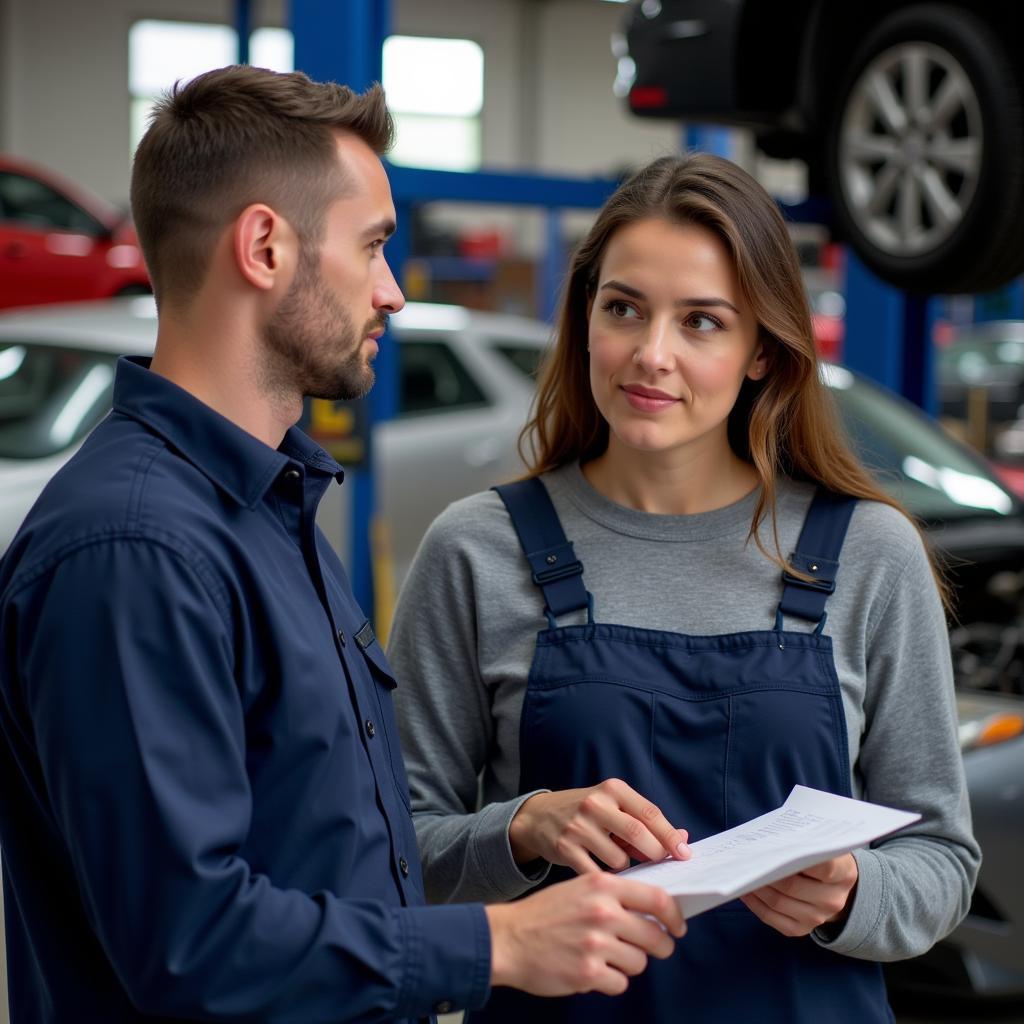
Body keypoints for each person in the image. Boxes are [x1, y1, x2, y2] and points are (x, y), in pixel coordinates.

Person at [0, 66, 688, 1023]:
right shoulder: (135, 552)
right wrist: (500, 942)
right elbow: (190, 944)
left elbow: (328, 845)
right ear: (265, 246)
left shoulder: (270, 509)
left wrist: (518, 829)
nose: (393, 293)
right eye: (371, 248)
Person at [388, 152, 981, 1023]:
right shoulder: (478, 550)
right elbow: (391, 852)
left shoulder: (869, 555)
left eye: (701, 322)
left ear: (760, 353)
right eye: (623, 308)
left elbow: (943, 863)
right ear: (586, 319)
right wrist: (520, 829)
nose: (650, 355)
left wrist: (853, 891)